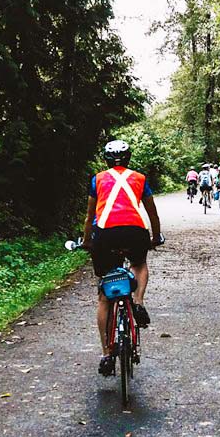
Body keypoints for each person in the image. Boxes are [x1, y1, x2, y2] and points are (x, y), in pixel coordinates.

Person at [82, 140, 163, 377]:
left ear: (106, 160)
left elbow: (89, 217)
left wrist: (87, 241)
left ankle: (107, 354)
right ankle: (137, 302)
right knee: (139, 264)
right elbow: (152, 212)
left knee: (105, 296)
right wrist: (155, 237)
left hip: (105, 234)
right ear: (128, 158)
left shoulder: (97, 180)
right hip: (135, 231)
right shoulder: (139, 178)